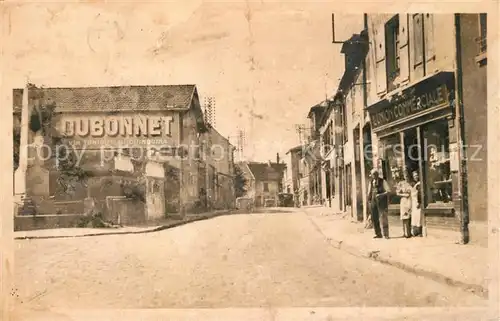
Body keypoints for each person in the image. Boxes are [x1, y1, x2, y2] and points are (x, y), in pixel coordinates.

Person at [367, 168, 391, 239]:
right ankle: (378, 234)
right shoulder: (371, 182)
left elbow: (388, 191)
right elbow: (369, 192)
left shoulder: (383, 181)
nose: (373, 176)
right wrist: (369, 201)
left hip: (382, 202)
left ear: (377, 174)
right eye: (372, 175)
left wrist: (381, 195)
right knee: (375, 218)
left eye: (374, 174)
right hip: (374, 202)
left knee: (384, 218)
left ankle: (386, 234)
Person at [396, 169, 412, 238]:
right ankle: (405, 233)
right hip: (404, 201)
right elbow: (397, 193)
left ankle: (409, 233)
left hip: (411, 201)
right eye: (405, 175)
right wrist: (405, 195)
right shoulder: (401, 183)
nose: (406, 176)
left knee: (409, 216)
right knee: (404, 217)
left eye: (407, 175)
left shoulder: (411, 183)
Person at [410, 170, 423, 237]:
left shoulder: (419, 183)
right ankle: (416, 232)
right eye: (414, 176)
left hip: (417, 202)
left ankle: (420, 232)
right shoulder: (413, 184)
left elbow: (420, 194)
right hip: (413, 202)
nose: (416, 177)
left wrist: (419, 202)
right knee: (415, 217)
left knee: (419, 217)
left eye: (416, 175)